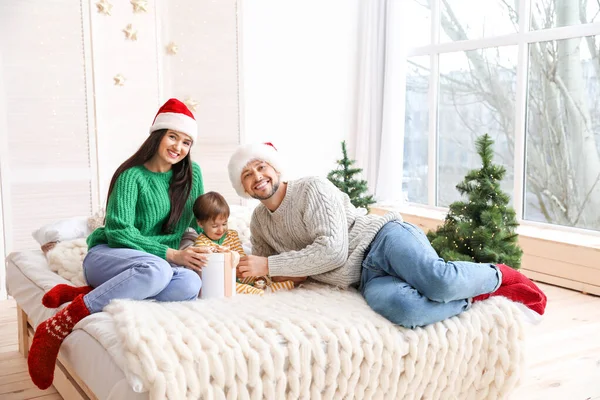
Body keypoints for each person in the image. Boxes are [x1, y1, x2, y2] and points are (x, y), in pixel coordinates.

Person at [228, 142, 547, 328]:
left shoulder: (312, 188)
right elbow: (271, 267)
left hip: (383, 238)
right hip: (363, 278)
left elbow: (333, 251)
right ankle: (475, 297)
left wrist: (268, 267)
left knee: (438, 282)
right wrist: (250, 271)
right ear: (241, 187)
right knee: (404, 310)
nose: (257, 177)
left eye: (261, 167)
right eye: (247, 175)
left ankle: (500, 276)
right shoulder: (259, 222)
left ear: (275, 167)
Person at [28, 98, 211, 390]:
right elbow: (118, 232)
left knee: (190, 283)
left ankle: (91, 292)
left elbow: (192, 223)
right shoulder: (131, 176)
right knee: (158, 271)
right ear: (158, 136)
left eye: (186, 142)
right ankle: (61, 321)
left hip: (155, 263)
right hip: (109, 255)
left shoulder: (192, 175)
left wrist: (195, 248)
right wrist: (172, 253)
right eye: (172, 136)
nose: (178, 147)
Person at [192, 191, 294, 295]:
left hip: (240, 271)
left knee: (261, 276)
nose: (220, 229)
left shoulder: (231, 235)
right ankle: (257, 291)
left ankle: (264, 285)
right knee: (230, 287)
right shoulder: (201, 243)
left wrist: (247, 271)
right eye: (214, 226)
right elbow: (210, 268)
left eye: (224, 224)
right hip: (222, 278)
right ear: (200, 223)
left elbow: (241, 256)